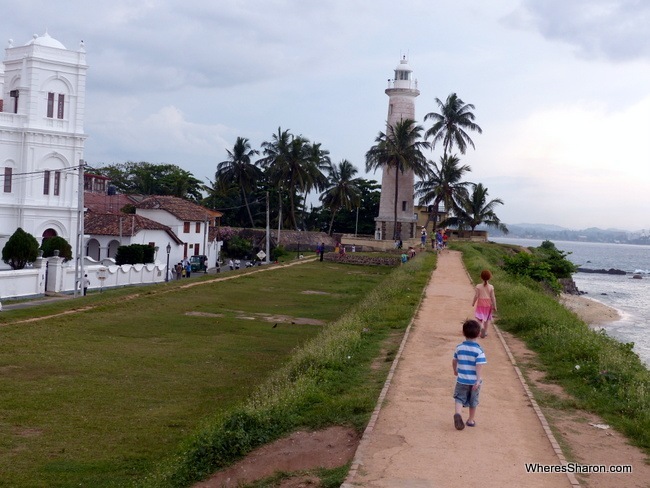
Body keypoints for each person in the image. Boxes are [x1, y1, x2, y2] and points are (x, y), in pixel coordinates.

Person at [452, 319, 487, 430]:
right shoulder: (479, 350)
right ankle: (470, 420)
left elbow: (454, 360)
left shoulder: (459, 348)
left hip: (461, 379)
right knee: (473, 401)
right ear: (478, 333)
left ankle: (458, 413)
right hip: (474, 382)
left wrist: (455, 370)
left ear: (463, 333)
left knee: (459, 398)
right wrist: (477, 380)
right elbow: (479, 366)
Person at [472, 269, 497, 338]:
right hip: (488, 304)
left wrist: (473, 303)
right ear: (490, 277)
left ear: (481, 277)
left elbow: (476, 296)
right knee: (487, 319)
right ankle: (485, 332)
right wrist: (495, 306)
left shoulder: (478, 286)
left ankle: (481, 328)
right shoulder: (491, 287)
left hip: (480, 303)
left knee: (479, 319)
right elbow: (493, 297)